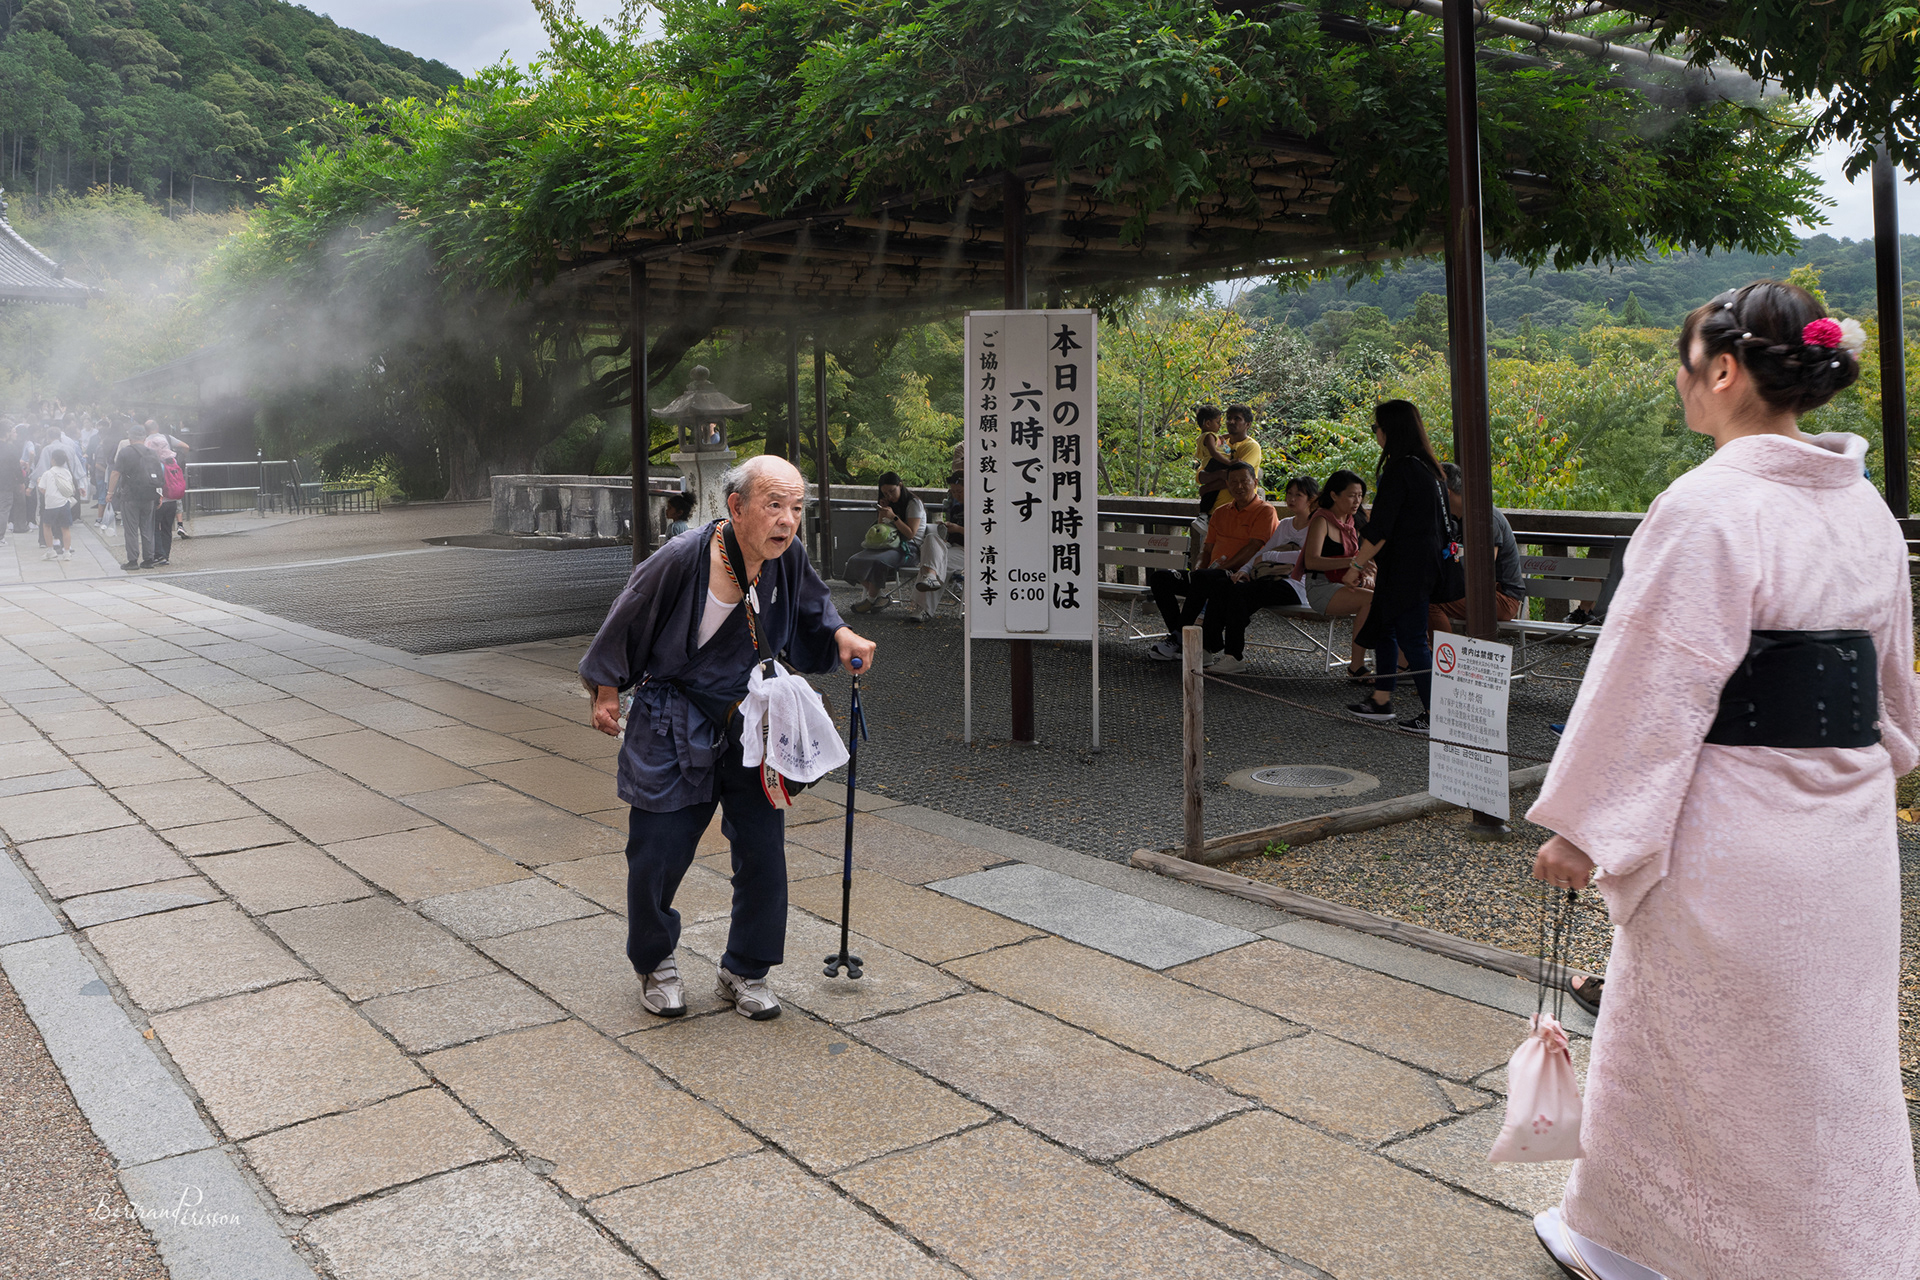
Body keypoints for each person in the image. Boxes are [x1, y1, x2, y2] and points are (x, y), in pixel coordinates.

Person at [1526, 283, 1919, 1280]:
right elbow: (1892, 693)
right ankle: (1846, 1248)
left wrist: (1585, 826)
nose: (1682, 384)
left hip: (1735, 828)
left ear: (1725, 371)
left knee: (1696, 1048)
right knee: (1830, 1060)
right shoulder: (1866, 507)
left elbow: (1655, 675)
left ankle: (1650, 1247)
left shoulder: (1708, 503)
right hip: (1848, 829)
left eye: (1687, 364)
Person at [578, 455, 877, 1022]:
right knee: (656, 851)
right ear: (736, 507)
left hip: (753, 721)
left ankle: (746, 966)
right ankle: (655, 960)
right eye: (774, 506)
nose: (787, 521)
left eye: (796, 508)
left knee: (764, 851)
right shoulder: (680, 557)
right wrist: (606, 689)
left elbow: (815, 607)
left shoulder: (787, 558)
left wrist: (841, 634)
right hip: (674, 719)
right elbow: (625, 618)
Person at [1343, 401, 1445, 732]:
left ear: (1390, 430)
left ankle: (1436, 714)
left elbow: (1381, 529)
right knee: (1386, 627)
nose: (1376, 434)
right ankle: (1381, 699)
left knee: (1413, 639)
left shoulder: (1400, 469)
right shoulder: (1428, 468)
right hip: (1420, 565)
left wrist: (1356, 565)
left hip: (1405, 569)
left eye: (1376, 428)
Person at [1145, 463, 1277, 669]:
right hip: (1207, 575)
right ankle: (1192, 641)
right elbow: (1206, 551)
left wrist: (1215, 570)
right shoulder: (1221, 512)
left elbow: (1253, 548)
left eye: (1245, 481)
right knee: (1161, 578)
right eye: (1233, 482)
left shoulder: (1265, 511)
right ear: (1227, 485)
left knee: (1206, 579)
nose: (1239, 486)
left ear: (1255, 483)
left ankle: (1181, 637)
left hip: (1236, 575)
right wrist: (1198, 567)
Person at [1200, 476, 1321, 671]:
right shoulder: (1285, 524)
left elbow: (1305, 557)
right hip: (1269, 578)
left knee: (1241, 595)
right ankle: (1208, 646)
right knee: (1225, 586)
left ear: (1312, 499)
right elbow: (1260, 553)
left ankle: (1234, 656)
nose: (1291, 499)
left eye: (1298, 495)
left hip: (1297, 585)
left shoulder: (1317, 525)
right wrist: (1244, 571)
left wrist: (1270, 556)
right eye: (1289, 494)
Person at [1293, 470, 1377, 679]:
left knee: (1389, 596)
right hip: (1321, 587)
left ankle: (1401, 664)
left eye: (1360, 496)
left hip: (1348, 583)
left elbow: (1368, 558)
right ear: (1334, 495)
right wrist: (1352, 564)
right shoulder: (1321, 520)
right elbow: (1311, 561)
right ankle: (1356, 667)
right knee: (1372, 601)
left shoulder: (1354, 521)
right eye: (1351, 495)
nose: (1357, 501)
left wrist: (1368, 576)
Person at [1428, 461, 1527, 634]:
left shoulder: (1484, 518)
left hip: (1501, 598)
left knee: (1431, 602)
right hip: (1477, 593)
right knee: (1422, 596)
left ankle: (1445, 656)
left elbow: (1484, 567)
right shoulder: (1455, 517)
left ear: (1446, 493)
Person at [845, 471, 923, 614]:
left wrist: (894, 517)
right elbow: (881, 530)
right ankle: (879, 597)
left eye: (892, 491)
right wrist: (882, 513)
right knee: (853, 561)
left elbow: (911, 534)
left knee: (878, 561)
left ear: (900, 485)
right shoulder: (888, 504)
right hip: (887, 544)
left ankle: (870, 600)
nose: (889, 496)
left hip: (908, 548)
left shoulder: (913, 503)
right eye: (885, 493)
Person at [107, 432, 164, 569]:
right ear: (144, 439)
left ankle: (133, 561)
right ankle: (149, 559)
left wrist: (110, 492)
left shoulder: (125, 452)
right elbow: (159, 474)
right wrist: (159, 495)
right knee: (147, 529)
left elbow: (116, 473)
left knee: (131, 529)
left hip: (130, 496)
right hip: (149, 496)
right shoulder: (152, 453)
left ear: (130, 439)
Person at [1196, 404, 1261, 523]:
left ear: (1248, 424)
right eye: (1229, 418)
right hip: (1213, 512)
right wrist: (1220, 474)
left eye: (1237, 419)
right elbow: (1201, 475)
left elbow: (1239, 479)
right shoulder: (1219, 443)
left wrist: (1207, 488)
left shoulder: (1251, 446)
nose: (1231, 422)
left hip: (1238, 512)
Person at [145, 433, 183, 566]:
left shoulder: (156, 461)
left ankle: (159, 554)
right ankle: (166, 555)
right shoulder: (173, 460)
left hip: (160, 500)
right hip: (172, 499)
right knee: (167, 528)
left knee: (155, 527)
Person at [36, 448, 76, 562]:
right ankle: (67, 552)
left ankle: (50, 550)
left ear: (52, 460)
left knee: (47, 526)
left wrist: (39, 483)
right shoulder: (67, 472)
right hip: (64, 503)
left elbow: (43, 490)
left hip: (51, 504)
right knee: (65, 528)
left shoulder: (47, 473)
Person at [1190, 405, 1227, 519]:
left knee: (1213, 489)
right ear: (1207, 423)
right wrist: (1229, 462)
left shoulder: (1214, 436)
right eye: (1217, 422)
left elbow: (1225, 448)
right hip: (1214, 462)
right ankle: (1203, 513)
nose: (1220, 425)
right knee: (1212, 491)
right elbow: (1214, 452)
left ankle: (1204, 512)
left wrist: (1225, 440)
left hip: (1215, 462)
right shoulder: (1208, 436)